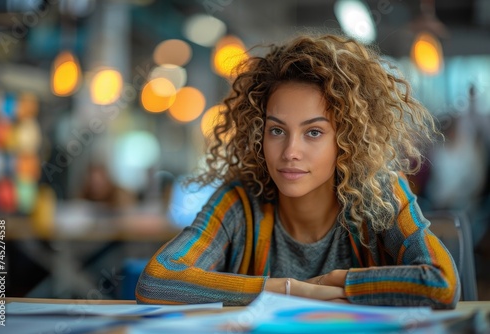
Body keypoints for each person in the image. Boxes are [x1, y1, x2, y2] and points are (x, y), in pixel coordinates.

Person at [136, 33, 460, 308]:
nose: (290, 152)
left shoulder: (382, 194)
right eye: (277, 130)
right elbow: (158, 281)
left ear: (346, 139)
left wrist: (340, 282)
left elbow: (441, 282)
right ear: (259, 133)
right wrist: (294, 289)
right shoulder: (240, 201)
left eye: (313, 132)